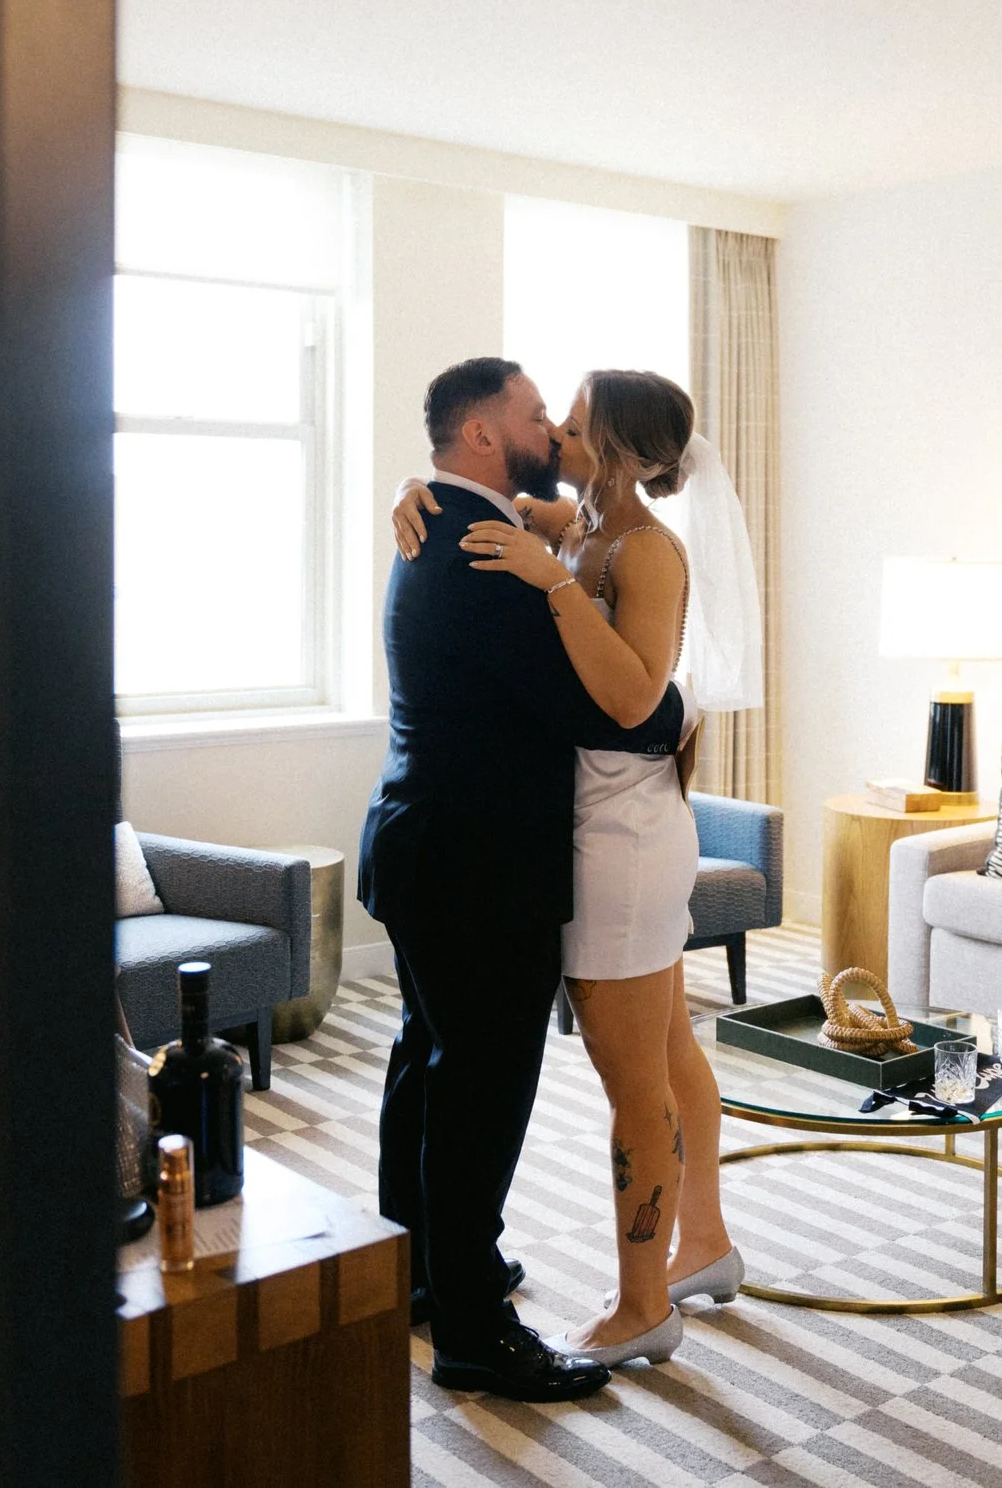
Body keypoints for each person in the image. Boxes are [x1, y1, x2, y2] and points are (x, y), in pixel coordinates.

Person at [391, 368, 755, 1370]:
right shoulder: (577, 521)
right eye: (553, 419)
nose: (557, 434)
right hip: (601, 823)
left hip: (623, 839)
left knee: (633, 1078)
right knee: (668, 1048)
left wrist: (552, 583)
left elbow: (637, 700)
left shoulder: (645, 549)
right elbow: (484, 501)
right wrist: (413, 493)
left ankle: (643, 1304)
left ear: (624, 454)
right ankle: (703, 1241)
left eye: (577, 426)